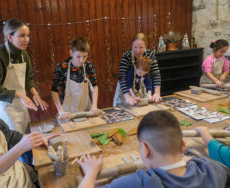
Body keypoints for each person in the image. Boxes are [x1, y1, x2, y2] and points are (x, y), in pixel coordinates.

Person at [77, 111, 229, 188]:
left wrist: (91, 172)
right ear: (183, 146)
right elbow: (204, 161)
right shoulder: (212, 169)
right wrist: (189, 160)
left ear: (145, 149)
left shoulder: (140, 182)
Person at [0, 18, 48, 134]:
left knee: (25, 135)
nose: (26, 40)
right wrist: (19, 95)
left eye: (28, 35)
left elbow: (28, 79)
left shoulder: (23, 54)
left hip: (21, 105)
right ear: (9, 37)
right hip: (5, 107)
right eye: (22, 36)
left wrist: (35, 94)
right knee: (14, 140)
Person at [51, 37, 99, 119]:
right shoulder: (62, 68)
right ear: (71, 53)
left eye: (85, 56)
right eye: (78, 56)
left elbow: (94, 86)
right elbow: (54, 91)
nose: (82, 60)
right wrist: (60, 111)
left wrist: (94, 106)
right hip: (67, 113)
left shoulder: (89, 67)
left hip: (85, 111)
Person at [114, 33, 162, 106]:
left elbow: (156, 74)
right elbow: (122, 77)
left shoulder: (150, 55)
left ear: (145, 46)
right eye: (135, 47)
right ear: (132, 46)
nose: (138, 51)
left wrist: (157, 93)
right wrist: (127, 96)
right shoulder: (127, 56)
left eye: (141, 47)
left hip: (142, 87)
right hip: (126, 88)